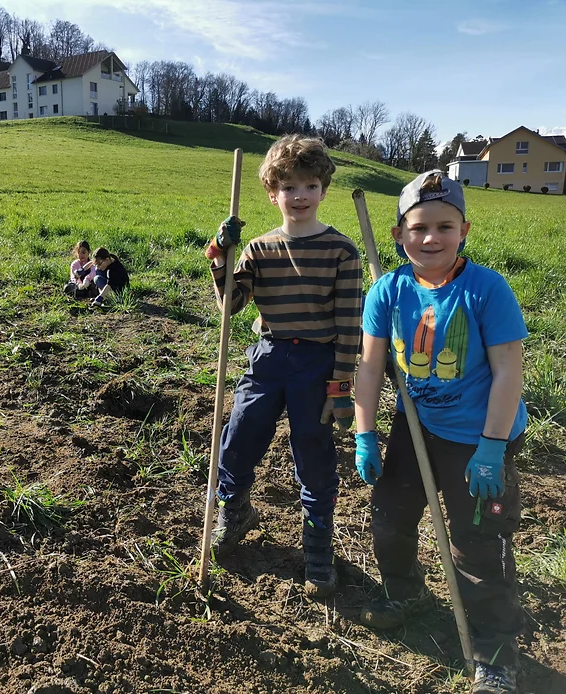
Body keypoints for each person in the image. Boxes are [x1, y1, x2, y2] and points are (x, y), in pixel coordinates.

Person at [354, 171, 527, 694]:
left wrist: (492, 448)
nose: (431, 238)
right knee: (390, 514)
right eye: (419, 227)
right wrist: (365, 433)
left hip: (482, 435)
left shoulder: (486, 289)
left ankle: (495, 651)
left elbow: (508, 373)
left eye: (444, 227)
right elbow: (368, 365)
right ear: (398, 234)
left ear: (464, 230)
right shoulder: (387, 289)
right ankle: (407, 592)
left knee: (478, 542)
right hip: (417, 426)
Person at [205, 134, 363, 599]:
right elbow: (231, 305)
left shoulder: (341, 251)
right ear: (272, 193)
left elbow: (349, 321)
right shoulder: (256, 248)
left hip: (317, 362)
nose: (299, 196)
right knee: (239, 434)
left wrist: (341, 384)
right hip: (268, 357)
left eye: (310, 185)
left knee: (314, 452)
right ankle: (235, 510)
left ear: (323, 190)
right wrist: (221, 256)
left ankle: (317, 544)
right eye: (289, 187)